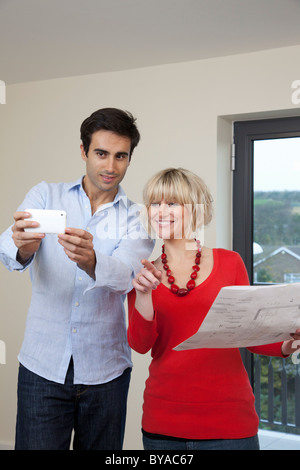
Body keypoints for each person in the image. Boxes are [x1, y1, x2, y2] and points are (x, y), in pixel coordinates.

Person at [0, 107, 154, 450]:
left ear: (129, 158)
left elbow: (129, 276)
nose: (110, 166)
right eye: (101, 153)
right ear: (84, 151)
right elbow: (7, 248)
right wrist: (23, 247)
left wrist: (93, 261)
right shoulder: (45, 195)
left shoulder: (138, 218)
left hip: (107, 372)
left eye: (120, 156)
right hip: (42, 367)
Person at [127, 167, 300, 451]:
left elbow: (250, 335)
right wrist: (143, 295)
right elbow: (141, 345)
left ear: (195, 210)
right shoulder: (143, 274)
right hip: (163, 425)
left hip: (230, 421)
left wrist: (289, 343)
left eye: (172, 203)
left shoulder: (230, 263)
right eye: (154, 204)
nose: (160, 211)